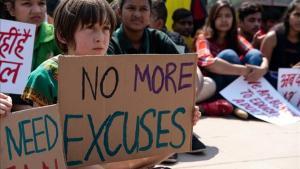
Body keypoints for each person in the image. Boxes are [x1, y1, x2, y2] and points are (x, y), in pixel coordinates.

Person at [21, 0, 200, 168]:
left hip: (113, 156)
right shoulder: (45, 76)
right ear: (62, 34)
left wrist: (182, 119)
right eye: (90, 28)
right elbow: (41, 145)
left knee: (169, 146)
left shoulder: (117, 70)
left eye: (106, 28)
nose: (100, 38)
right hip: (72, 161)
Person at [108, 0, 206, 163]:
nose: (137, 14)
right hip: (123, 114)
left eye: (143, 9)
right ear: (119, 11)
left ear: (150, 14)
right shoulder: (111, 43)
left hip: (158, 113)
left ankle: (173, 134)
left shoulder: (159, 38)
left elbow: (182, 73)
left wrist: (187, 107)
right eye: (131, 8)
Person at [195, 0, 268, 118]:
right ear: (212, 19)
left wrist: (263, 69)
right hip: (215, 85)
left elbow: (259, 56)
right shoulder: (203, 37)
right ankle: (237, 104)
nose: (224, 20)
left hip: (238, 84)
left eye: (228, 16)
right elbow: (208, 63)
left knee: (254, 54)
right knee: (228, 55)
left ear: (233, 19)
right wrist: (244, 70)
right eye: (219, 16)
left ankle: (243, 102)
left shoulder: (236, 37)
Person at [4, 0, 61, 111]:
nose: (37, 10)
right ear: (11, 9)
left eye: (41, 3)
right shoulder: (5, 39)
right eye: (27, 4)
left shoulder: (58, 36)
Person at [261, 0, 300, 87]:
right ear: (289, 15)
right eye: (297, 15)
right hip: (272, 82)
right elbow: (262, 69)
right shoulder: (272, 37)